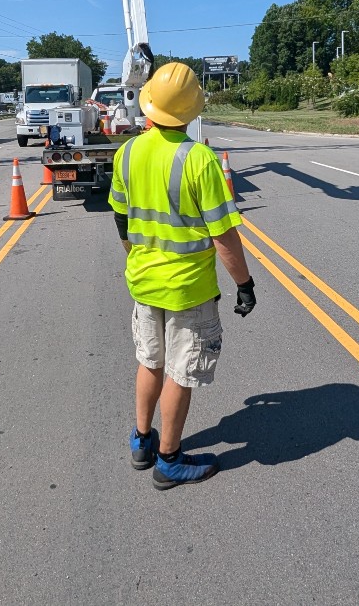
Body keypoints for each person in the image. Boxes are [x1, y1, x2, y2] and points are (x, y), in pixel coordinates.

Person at [109, 62, 256, 490]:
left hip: (143, 283)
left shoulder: (127, 152)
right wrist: (244, 285)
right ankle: (169, 460)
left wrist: (137, 258)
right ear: (192, 111)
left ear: (148, 104)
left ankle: (142, 441)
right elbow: (224, 236)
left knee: (149, 361)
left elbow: (121, 218)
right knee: (180, 372)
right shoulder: (199, 159)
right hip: (188, 290)